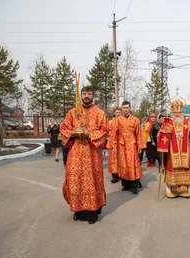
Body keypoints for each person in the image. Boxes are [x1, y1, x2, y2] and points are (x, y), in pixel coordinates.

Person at [59, 86, 108, 224]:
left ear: (93, 95)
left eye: (89, 93)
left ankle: (93, 212)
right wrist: (72, 133)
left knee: (92, 181)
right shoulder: (73, 112)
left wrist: (89, 134)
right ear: (81, 95)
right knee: (76, 181)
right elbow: (63, 128)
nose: (86, 96)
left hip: (92, 153)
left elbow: (105, 131)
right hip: (75, 152)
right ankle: (77, 210)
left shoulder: (100, 113)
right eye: (84, 93)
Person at [157, 100, 190, 198]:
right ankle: (169, 189)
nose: (177, 114)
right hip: (171, 152)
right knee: (171, 169)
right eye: (175, 112)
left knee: (186, 169)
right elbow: (160, 136)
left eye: (179, 112)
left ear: (182, 112)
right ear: (172, 112)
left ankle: (186, 190)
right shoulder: (167, 123)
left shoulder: (188, 123)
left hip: (186, 152)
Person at [109, 101, 146, 194]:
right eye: (124, 108)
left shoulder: (135, 120)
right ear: (122, 109)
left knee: (132, 164)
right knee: (123, 164)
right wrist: (113, 145)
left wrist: (140, 145)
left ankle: (134, 185)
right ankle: (125, 184)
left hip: (132, 145)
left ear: (130, 108)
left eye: (127, 107)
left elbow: (139, 134)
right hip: (122, 145)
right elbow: (114, 133)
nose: (125, 109)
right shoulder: (119, 120)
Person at [107, 107, 122, 183]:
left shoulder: (123, 122)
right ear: (114, 113)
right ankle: (115, 176)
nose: (118, 113)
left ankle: (121, 174)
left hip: (121, 144)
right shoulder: (110, 122)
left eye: (119, 112)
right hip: (112, 143)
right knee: (113, 160)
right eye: (117, 112)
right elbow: (106, 131)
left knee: (121, 159)